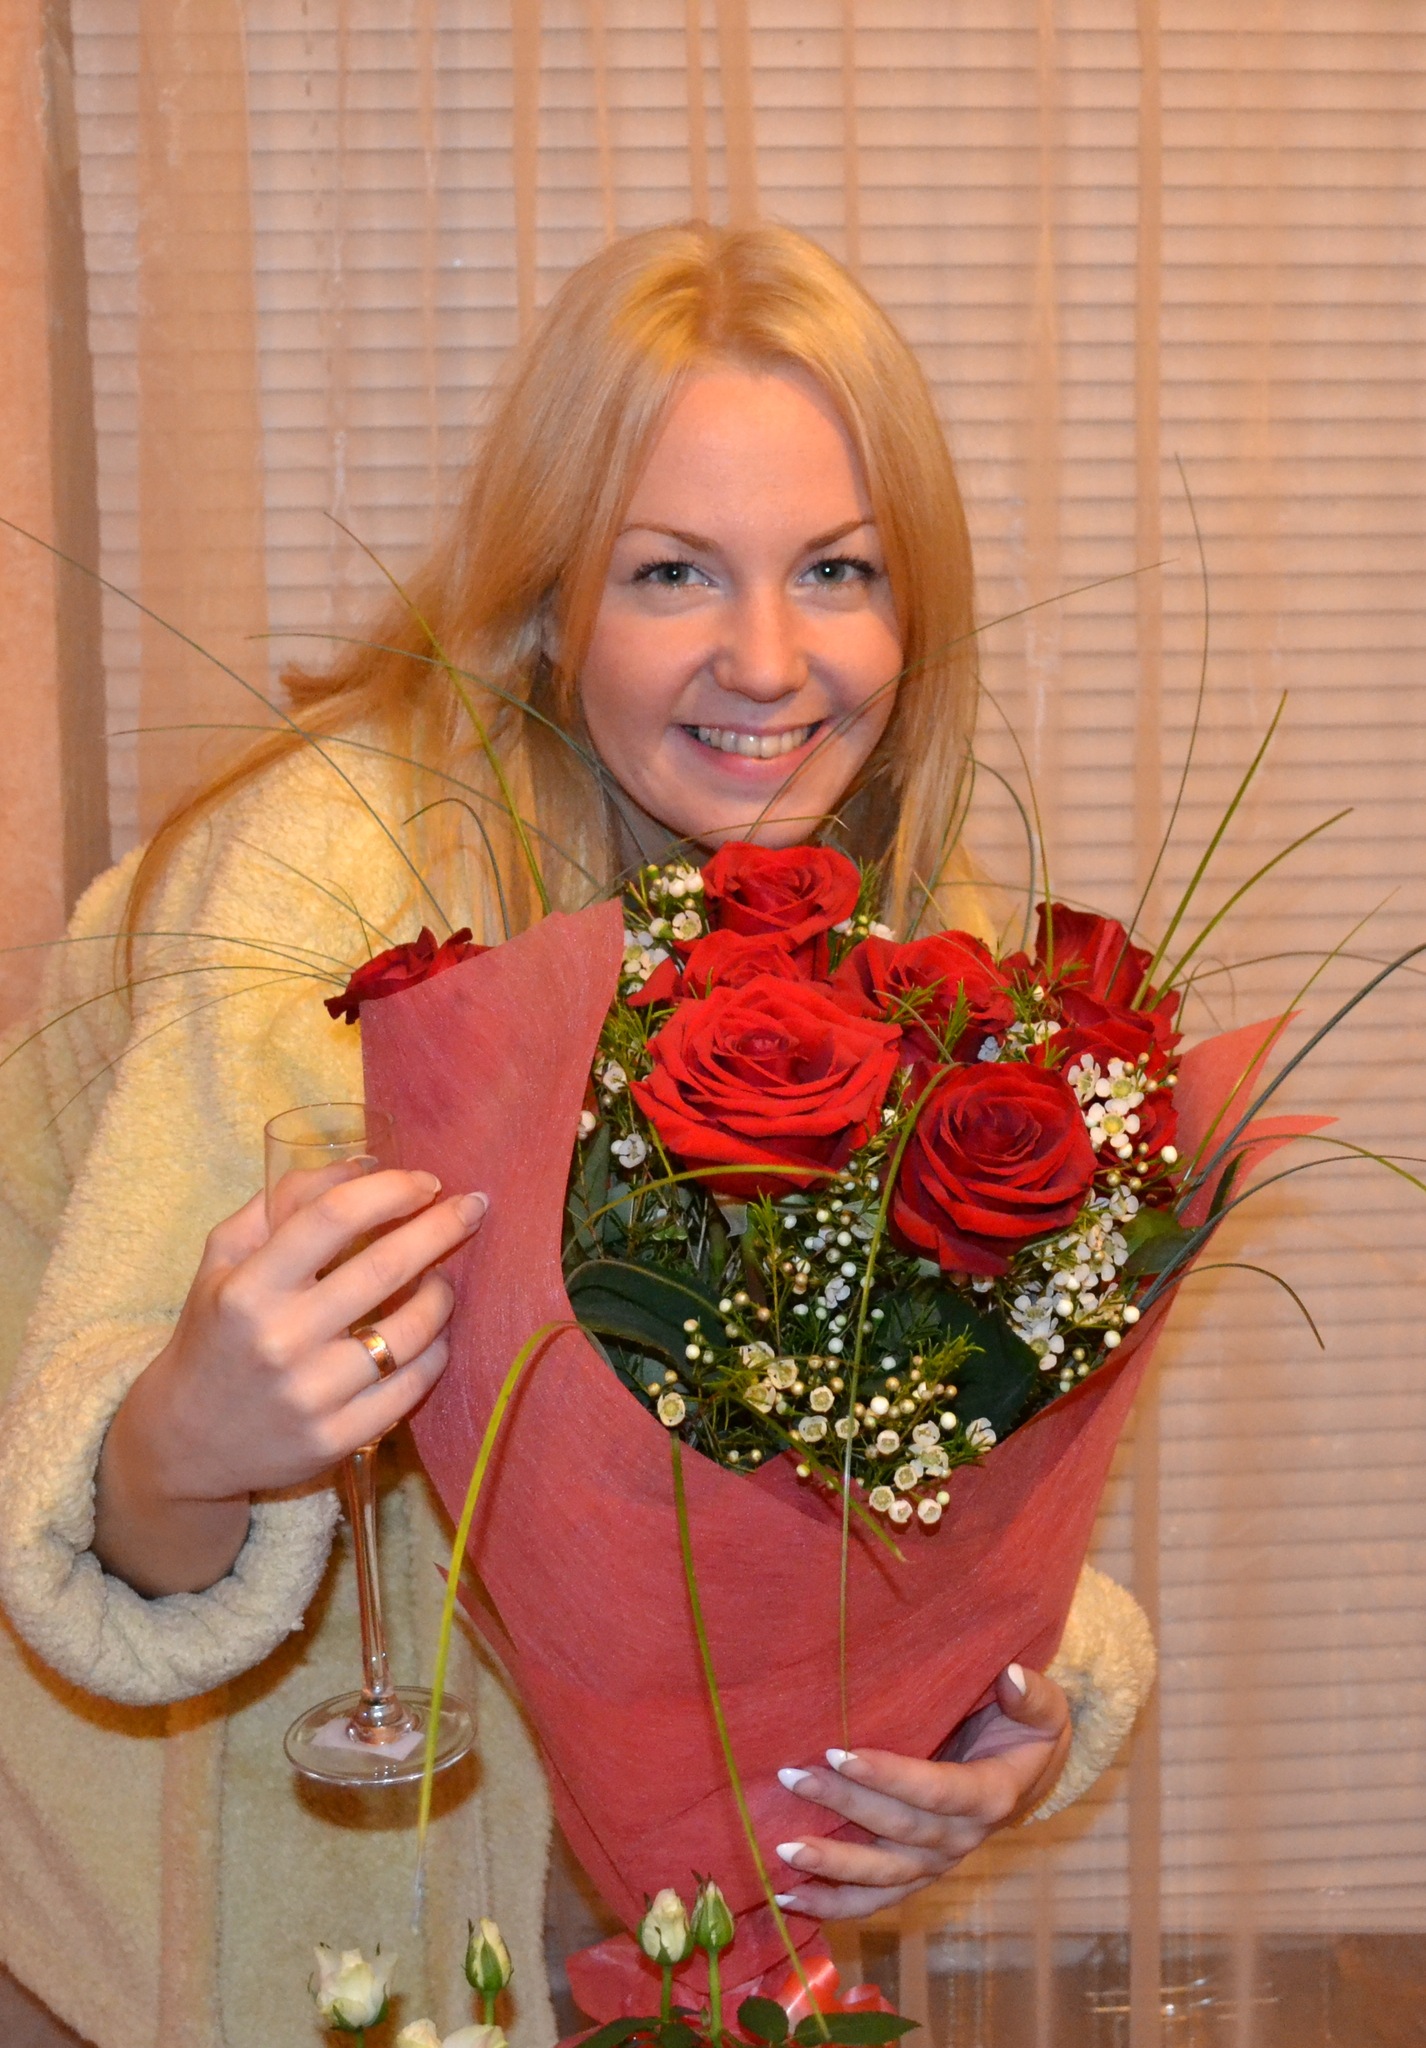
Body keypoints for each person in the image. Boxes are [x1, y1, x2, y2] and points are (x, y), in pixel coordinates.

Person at [0, 222, 1154, 2048]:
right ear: (549, 599)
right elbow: (103, 1551)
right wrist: (185, 1441)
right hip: (214, 1880)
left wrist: (1005, 1704)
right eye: (672, 571)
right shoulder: (332, 884)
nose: (767, 661)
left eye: (837, 569)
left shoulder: (919, 941)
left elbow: (907, 1465)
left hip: (634, 1897)